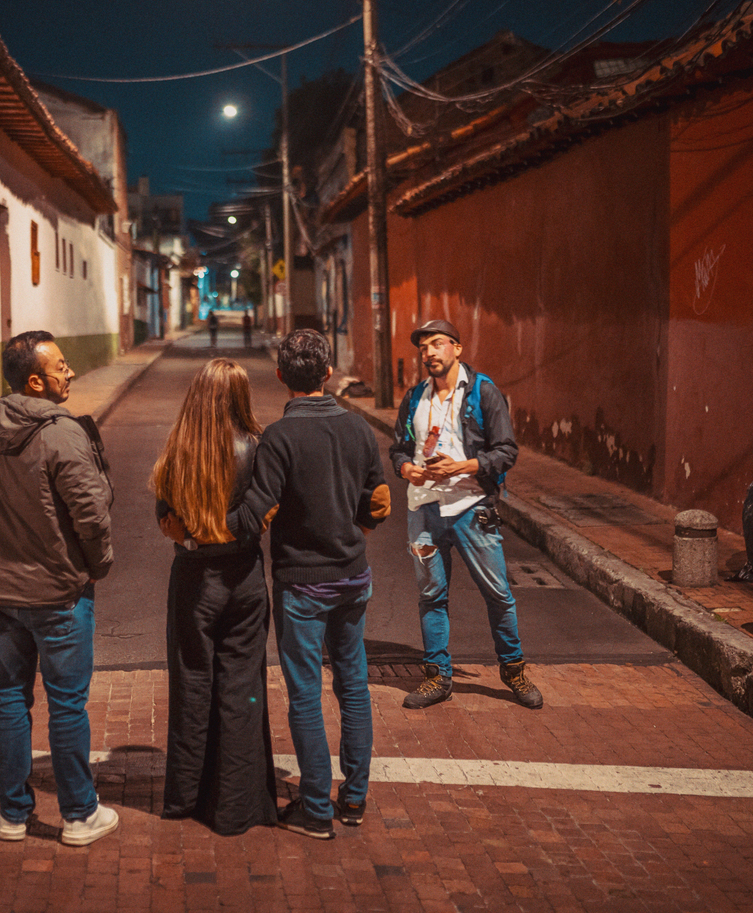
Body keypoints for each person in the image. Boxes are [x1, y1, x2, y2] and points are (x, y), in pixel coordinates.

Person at [0, 330, 119, 846]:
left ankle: (13, 813)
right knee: (67, 703)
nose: (69, 373)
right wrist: (97, 566)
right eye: (60, 366)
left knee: (11, 697)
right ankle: (78, 814)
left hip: (1, 595)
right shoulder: (61, 433)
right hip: (58, 593)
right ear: (35, 380)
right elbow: (91, 513)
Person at [233, 329, 390, 839]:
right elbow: (378, 500)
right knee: (353, 686)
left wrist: (206, 533)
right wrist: (355, 533)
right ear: (328, 373)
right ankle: (355, 797)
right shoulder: (360, 430)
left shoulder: (278, 438)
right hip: (352, 577)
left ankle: (317, 811)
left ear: (281, 377)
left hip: (301, 584)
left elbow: (258, 510)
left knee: (304, 695)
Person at [389, 319, 543, 711]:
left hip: (471, 508)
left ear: (457, 348)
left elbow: (506, 451)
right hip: (423, 509)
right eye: (424, 348)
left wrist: (460, 467)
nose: (429, 353)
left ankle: (513, 670)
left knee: (498, 594)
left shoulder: (483, 392)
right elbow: (399, 449)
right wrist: (408, 469)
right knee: (431, 596)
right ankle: (437, 677)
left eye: (437, 344)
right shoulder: (415, 398)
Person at [151, 359, 277, 836]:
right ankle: (237, 805)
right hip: (244, 579)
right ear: (240, 398)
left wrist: (191, 538)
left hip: (193, 579)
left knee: (192, 684)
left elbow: (164, 515)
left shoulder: (179, 449)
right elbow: (264, 510)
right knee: (241, 688)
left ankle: (186, 797)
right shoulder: (259, 447)